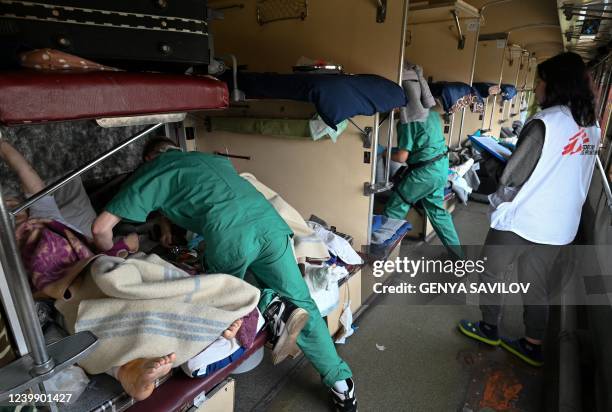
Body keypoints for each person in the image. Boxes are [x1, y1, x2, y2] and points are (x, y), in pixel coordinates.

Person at [91, 137, 357, 411]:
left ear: (149, 159)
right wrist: (165, 224)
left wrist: (113, 257)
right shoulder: (209, 159)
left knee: (226, 296)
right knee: (302, 301)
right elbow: (193, 190)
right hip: (269, 225)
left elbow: (101, 229)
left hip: (230, 235)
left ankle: (271, 305)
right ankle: (341, 384)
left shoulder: (152, 171)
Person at [0, 136, 248, 401]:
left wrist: (4, 146)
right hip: (63, 297)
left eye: (13, 205)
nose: (11, 212)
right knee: (81, 332)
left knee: (149, 288)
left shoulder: (46, 215)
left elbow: (27, 174)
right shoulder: (5, 253)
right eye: (7, 209)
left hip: (96, 271)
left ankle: (211, 322)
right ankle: (129, 371)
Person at [458, 52, 600, 367]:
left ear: (555, 84)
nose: (536, 87)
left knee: (492, 273)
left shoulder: (545, 123)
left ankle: (488, 328)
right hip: (561, 225)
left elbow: (514, 176)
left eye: (540, 80)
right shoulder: (592, 126)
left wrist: (496, 177)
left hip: (523, 220)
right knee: (537, 284)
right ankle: (532, 343)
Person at [383, 110, 462, 257]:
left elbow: (401, 157)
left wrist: (383, 152)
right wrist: (389, 150)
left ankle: (381, 257)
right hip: (440, 168)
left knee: (395, 207)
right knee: (438, 214)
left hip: (424, 174)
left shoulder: (407, 120)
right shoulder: (431, 113)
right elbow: (420, 145)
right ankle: (458, 258)